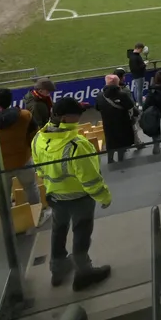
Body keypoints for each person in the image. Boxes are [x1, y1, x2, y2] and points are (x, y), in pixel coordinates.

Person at [32, 96, 113, 290]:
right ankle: (84, 273)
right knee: (81, 234)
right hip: (79, 198)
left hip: (55, 197)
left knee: (58, 232)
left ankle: (57, 270)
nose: (79, 118)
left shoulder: (38, 139)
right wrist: (104, 196)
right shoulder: (78, 144)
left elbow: (40, 170)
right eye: (76, 115)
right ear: (66, 118)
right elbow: (90, 178)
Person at [95, 75, 139, 164]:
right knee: (122, 142)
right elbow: (131, 107)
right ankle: (120, 160)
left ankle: (110, 160)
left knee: (110, 142)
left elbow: (97, 108)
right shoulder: (122, 95)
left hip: (108, 124)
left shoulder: (100, 95)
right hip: (123, 123)